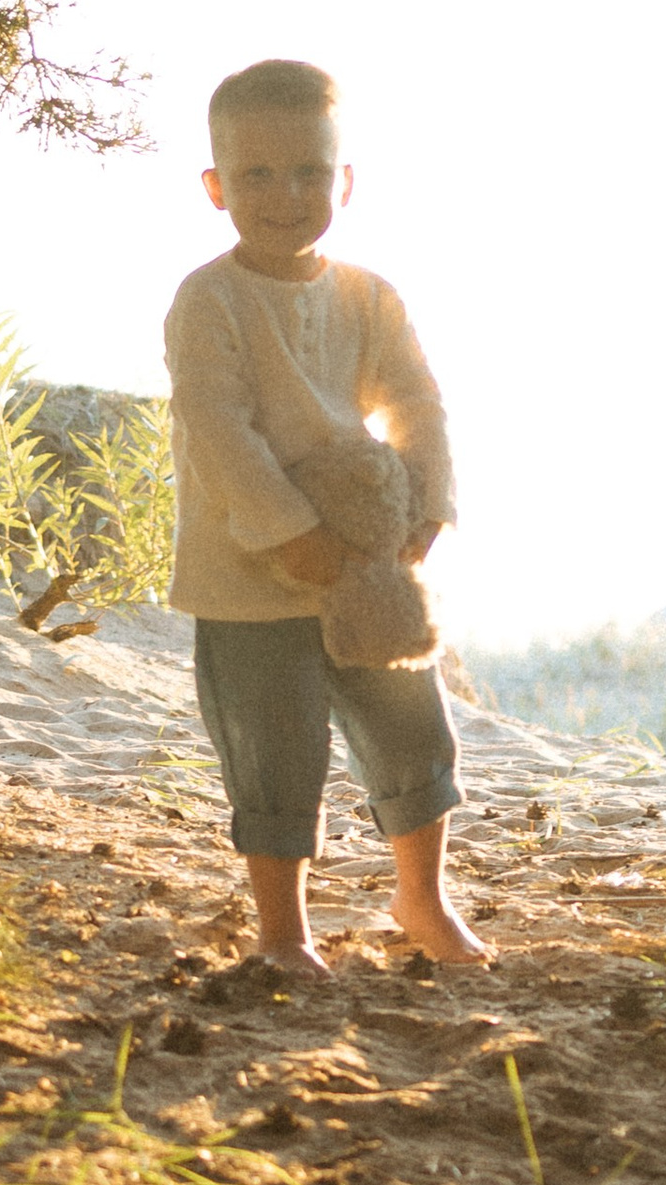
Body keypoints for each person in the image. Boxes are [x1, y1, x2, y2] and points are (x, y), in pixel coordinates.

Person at [165, 56, 490, 976]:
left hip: (366, 569)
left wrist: (428, 505)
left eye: (310, 171)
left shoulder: (368, 295)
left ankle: (420, 899)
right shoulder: (210, 301)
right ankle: (283, 933)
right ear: (216, 186)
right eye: (258, 175)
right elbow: (218, 426)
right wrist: (287, 532)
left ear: (344, 181)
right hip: (247, 576)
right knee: (276, 753)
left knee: (412, 728)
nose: (286, 193)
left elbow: (418, 403)